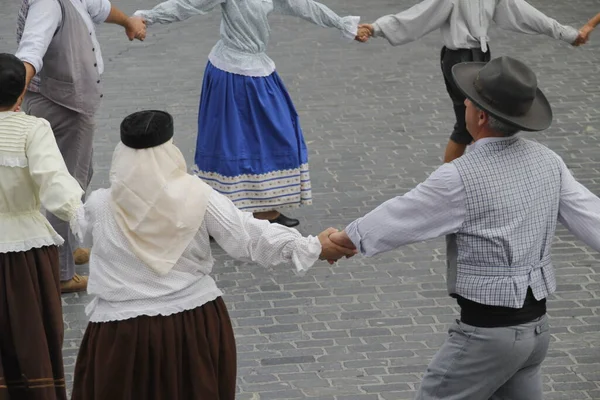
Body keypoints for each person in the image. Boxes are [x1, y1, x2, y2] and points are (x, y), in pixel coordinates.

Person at [327, 56, 600, 399]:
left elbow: (400, 216)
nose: (465, 104)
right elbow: (594, 218)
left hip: (488, 337)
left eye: (470, 100)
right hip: (535, 334)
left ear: (481, 116)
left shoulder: (461, 176)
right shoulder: (549, 162)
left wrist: (339, 241)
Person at [71, 110, 355, 400]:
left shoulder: (100, 205)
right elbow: (247, 235)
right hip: (191, 325)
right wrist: (314, 246)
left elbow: (75, 220)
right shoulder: (198, 195)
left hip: (121, 333)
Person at [133, 0, 363, 228]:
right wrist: (146, 17)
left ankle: (263, 208)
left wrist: (343, 24)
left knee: (277, 133)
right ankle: (217, 216)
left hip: (256, 68)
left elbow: (304, 5)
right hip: (231, 72)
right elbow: (188, 4)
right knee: (227, 142)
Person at [15, 0, 146, 292]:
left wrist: (128, 22)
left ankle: (67, 247)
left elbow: (99, 8)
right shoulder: (47, 4)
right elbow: (30, 53)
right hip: (60, 105)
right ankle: (61, 272)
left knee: (80, 176)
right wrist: (14, 97)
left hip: (72, 103)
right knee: (67, 185)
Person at [355, 0, 583, 163]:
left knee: (471, 126)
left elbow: (524, 13)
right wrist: (376, 28)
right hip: (460, 59)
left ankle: (454, 183)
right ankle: (462, 182)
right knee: (475, 125)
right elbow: (418, 16)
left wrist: (566, 34)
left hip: (480, 57)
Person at [0, 54, 86, 400]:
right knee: (29, 332)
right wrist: (84, 221)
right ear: (21, 93)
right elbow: (55, 183)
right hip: (25, 251)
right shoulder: (32, 129)